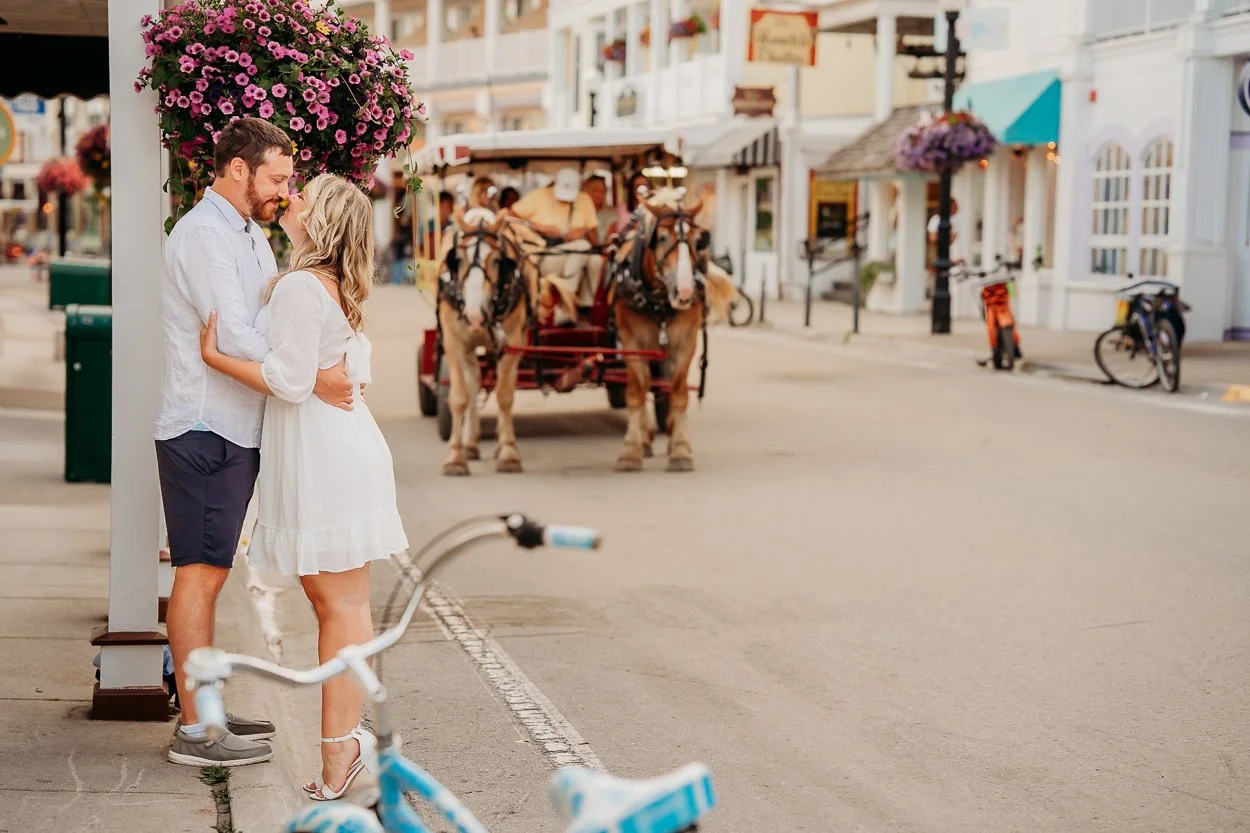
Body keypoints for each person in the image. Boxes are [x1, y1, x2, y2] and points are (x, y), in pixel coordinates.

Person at [198, 174, 409, 801]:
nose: (294, 197)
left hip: (326, 458)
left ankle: (339, 754)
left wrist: (215, 358)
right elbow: (344, 368)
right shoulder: (328, 284)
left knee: (338, 609)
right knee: (344, 609)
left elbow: (289, 380)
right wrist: (320, 376)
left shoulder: (298, 286)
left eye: (306, 195)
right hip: (336, 450)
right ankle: (345, 745)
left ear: (320, 222)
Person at [156, 118, 355, 769]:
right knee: (200, 572)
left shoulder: (249, 234)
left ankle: (203, 706)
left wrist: (297, 235)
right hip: (206, 426)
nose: (283, 190)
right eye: (274, 177)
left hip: (237, 427)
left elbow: (271, 308)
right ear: (237, 169)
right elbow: (238, 334)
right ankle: (196, 729)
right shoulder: (204, 236)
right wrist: (307, 375)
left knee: (211, 570)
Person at [504, 167, 601, 314]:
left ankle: (584, 306)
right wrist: (540, 227)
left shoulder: (584, 200)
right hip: (545, 255)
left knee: (595, 259)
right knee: (582, 246)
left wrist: (582, 231)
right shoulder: (538, 196)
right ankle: (566, 301)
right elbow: (509, 218)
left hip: (575, 256)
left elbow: (595, 239)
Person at [581, 173, 613, 244]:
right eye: (595, 190)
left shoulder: (611, 213)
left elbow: (607, 242)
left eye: (603, 191)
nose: (599, 194)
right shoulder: (577, 211)